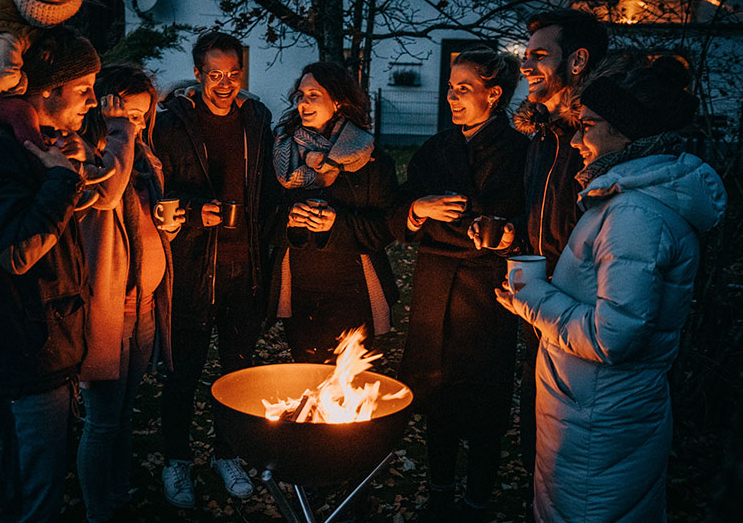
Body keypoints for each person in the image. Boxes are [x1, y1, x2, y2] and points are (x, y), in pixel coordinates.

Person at [495, 57, 727, 521]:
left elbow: (612, 337)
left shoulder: (636, 217)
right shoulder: (627, 202)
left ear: (628, 131)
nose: (578, 139)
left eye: (589, 126)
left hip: (599, 424)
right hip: (589, 413)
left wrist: (531, 298)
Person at [0, 26, 100, 522]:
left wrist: (70, 169)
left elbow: (55, 214)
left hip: (41, 351)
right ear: (49, 88)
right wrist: (58, 179)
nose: (93, 102)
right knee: (30, 497)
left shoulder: (27, 142)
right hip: (19, 356)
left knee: (40, 486)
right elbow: (16, 250)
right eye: (85, 89)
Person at [476, 8, 610, 520]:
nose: (526, 65)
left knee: (577, 445)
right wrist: (512, 228)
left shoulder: (599, 137)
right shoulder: (542, 134)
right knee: (539, 427)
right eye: (525, 54)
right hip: (540, 305)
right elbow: (544, 214)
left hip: (582, 313)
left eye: (538, 55)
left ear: (577, 61)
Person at [392, 47, 529, 521]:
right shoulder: (436, 149)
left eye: (463, 89)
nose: (451, 96)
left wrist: (507, 231)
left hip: (487, 292)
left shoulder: (519, 152)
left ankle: (476, 503)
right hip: (434, 288)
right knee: (436, 397)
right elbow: (401, 209)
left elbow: (528, 222)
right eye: (450, 87)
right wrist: (419, 209)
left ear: (494, 94)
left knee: (485, 404)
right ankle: (440, 495)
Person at [151, 31, 275, 508]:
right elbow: (152, 190)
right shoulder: (172, 124)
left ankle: (227, 454)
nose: (225, 83)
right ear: (199, 73)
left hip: (244, 270)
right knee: (182, 374)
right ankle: (177, 461)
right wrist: (190, 209)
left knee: (237, 372)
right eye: (215, 74)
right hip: (191, 267)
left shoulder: (256, 118)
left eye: (233, 73)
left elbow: (268, 191)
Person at [70, 66, 185, 522]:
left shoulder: (143, 156)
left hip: (144, 306)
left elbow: (139, 222)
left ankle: (118, 496)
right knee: (101, 420)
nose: (136, 124)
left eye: (141, 115)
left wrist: (166, 230)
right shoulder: (88, 154)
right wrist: (118, 131)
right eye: (126, 114)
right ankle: (100, 511)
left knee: (124, 412)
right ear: (102, 106)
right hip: (106, 307)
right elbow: (109, 194)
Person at [267, 61, 398, 364]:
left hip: (354, 292)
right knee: (305, 376)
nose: (303, 102)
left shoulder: (372, 159)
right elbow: (263, 216)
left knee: (346, 386)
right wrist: (288, 218)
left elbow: (386, 227)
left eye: (314, 95)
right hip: (298, 291)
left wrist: (336, 224)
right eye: (300, 95)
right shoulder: (282, 152)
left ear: (338, 100)